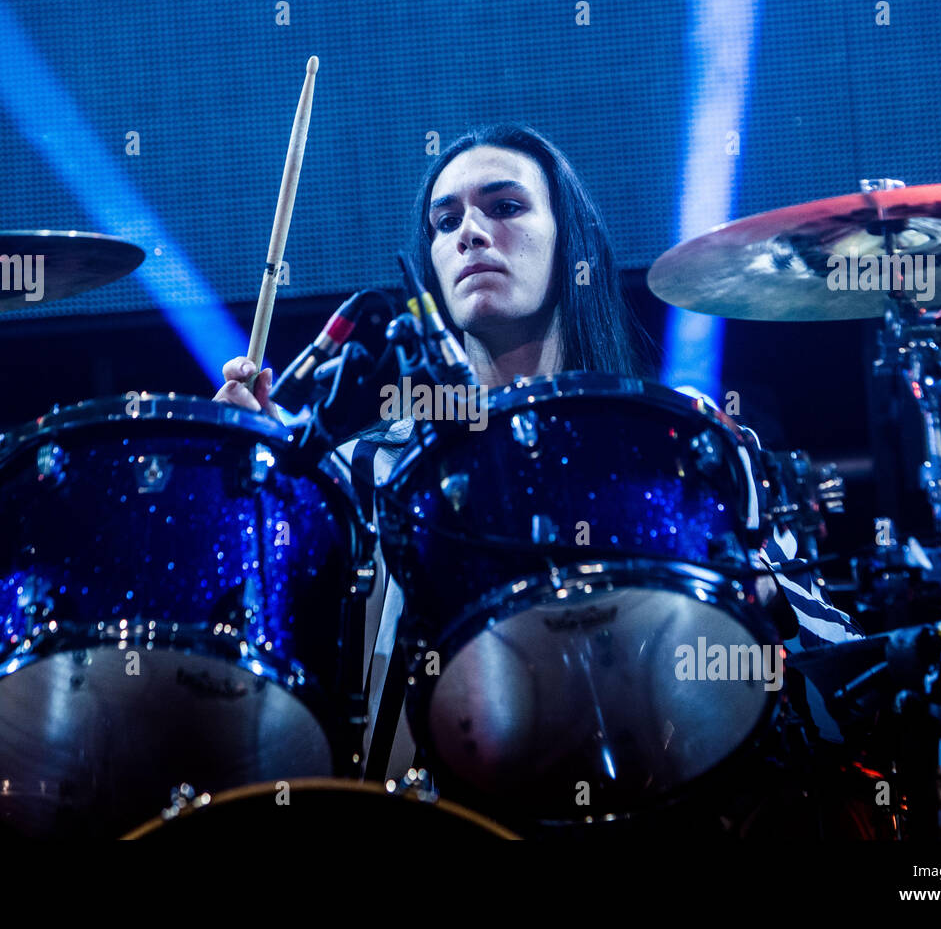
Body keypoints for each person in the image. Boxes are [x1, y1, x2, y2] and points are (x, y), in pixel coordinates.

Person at [216, 122, 863, 790]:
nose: (469, 232)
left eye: (505, 207)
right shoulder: (360, 471)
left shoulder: (684, 449)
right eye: (445, 221)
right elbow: (250, 675)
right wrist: (247, 486)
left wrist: (755, 603)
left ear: (569, 243)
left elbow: (839, 672)